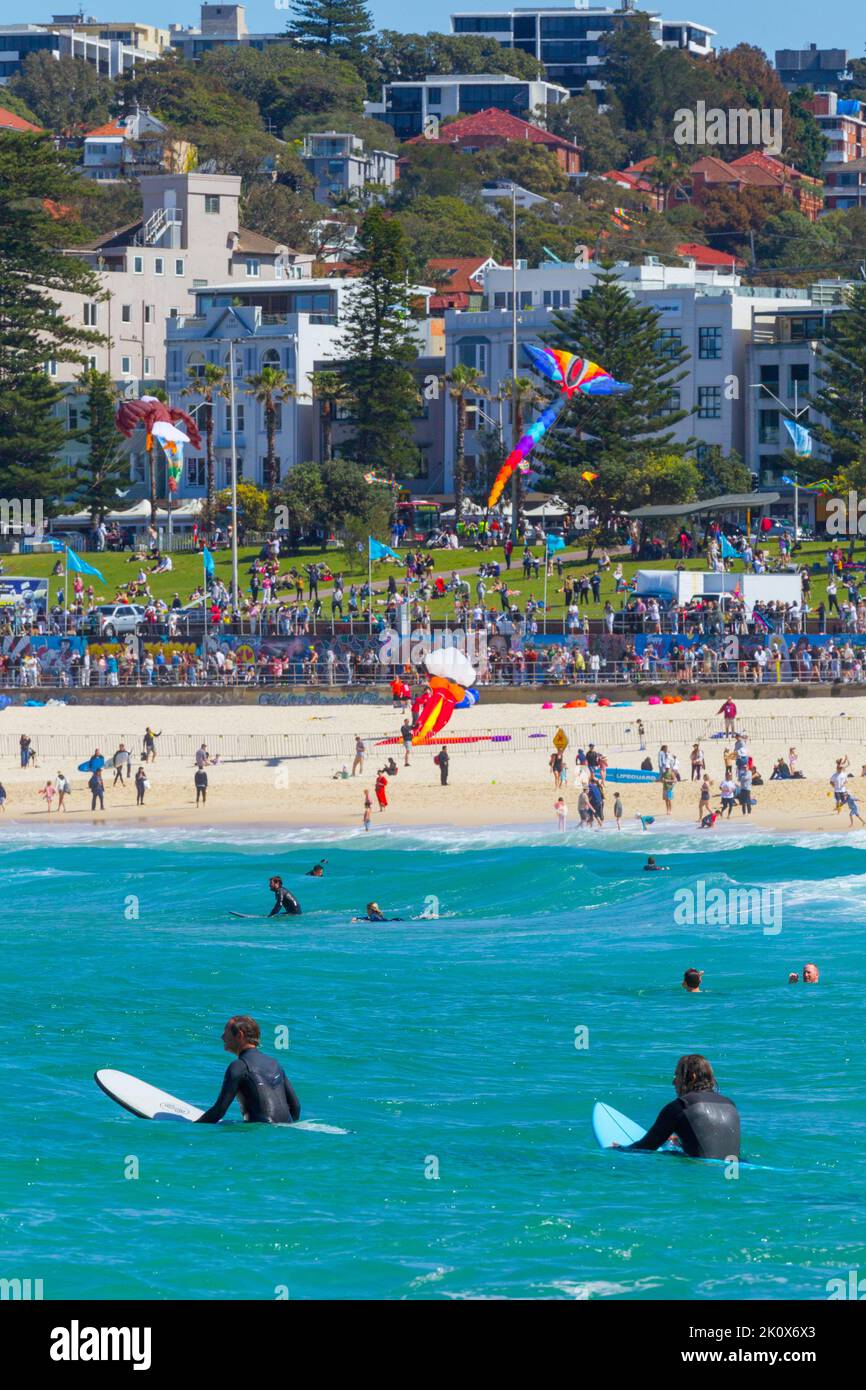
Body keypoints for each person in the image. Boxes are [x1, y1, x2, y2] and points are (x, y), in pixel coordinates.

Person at [615, 1054, 740, 1160]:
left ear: (692, 1078)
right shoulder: (730, 1104)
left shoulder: (681, 1107)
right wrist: (685, 1141)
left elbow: (646, 1147)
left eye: (677, 1076)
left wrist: (619, 1149)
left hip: (701, 1173)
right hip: (734, 1170)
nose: (673, 1082)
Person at [196, 1016, 301, 1126]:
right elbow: (296, 1107)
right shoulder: (274, 1063)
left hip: (260, 1135)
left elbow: (219, 1111)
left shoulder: (240, 1066)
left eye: (226, 1032)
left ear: (240, 1035)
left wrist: (191, 1127)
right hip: (284, 1131)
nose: (222, 1037)